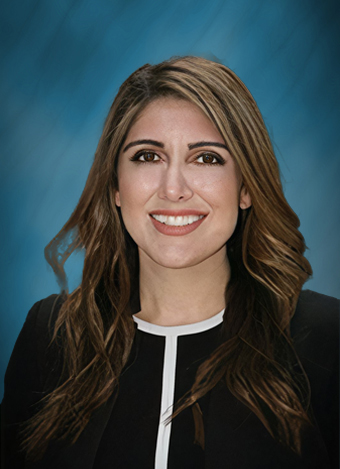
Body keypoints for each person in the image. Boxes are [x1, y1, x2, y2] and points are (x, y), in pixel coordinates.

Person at [1, 56, 339, 469]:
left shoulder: (324, 338)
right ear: (115, 188)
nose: (173, 188)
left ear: (246, 188)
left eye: (207, 158)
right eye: (147, 156)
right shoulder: (53, 337)